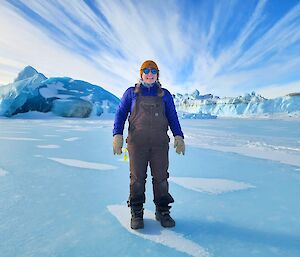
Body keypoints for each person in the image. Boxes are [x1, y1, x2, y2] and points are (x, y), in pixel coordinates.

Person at [113, 60, 185, 230]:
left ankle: (162, 211)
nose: (150, 73)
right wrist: (117, 134)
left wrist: (178, 136)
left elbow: (173, 117)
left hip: (160, 144)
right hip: (137, 143)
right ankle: (136, 212)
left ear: (157, 74)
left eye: (153, 70)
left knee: (161, 178)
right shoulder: (131, 93)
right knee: (137, 178)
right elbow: (120, 114)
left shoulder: (164, 94)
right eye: (146, 70)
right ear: (141, 73)